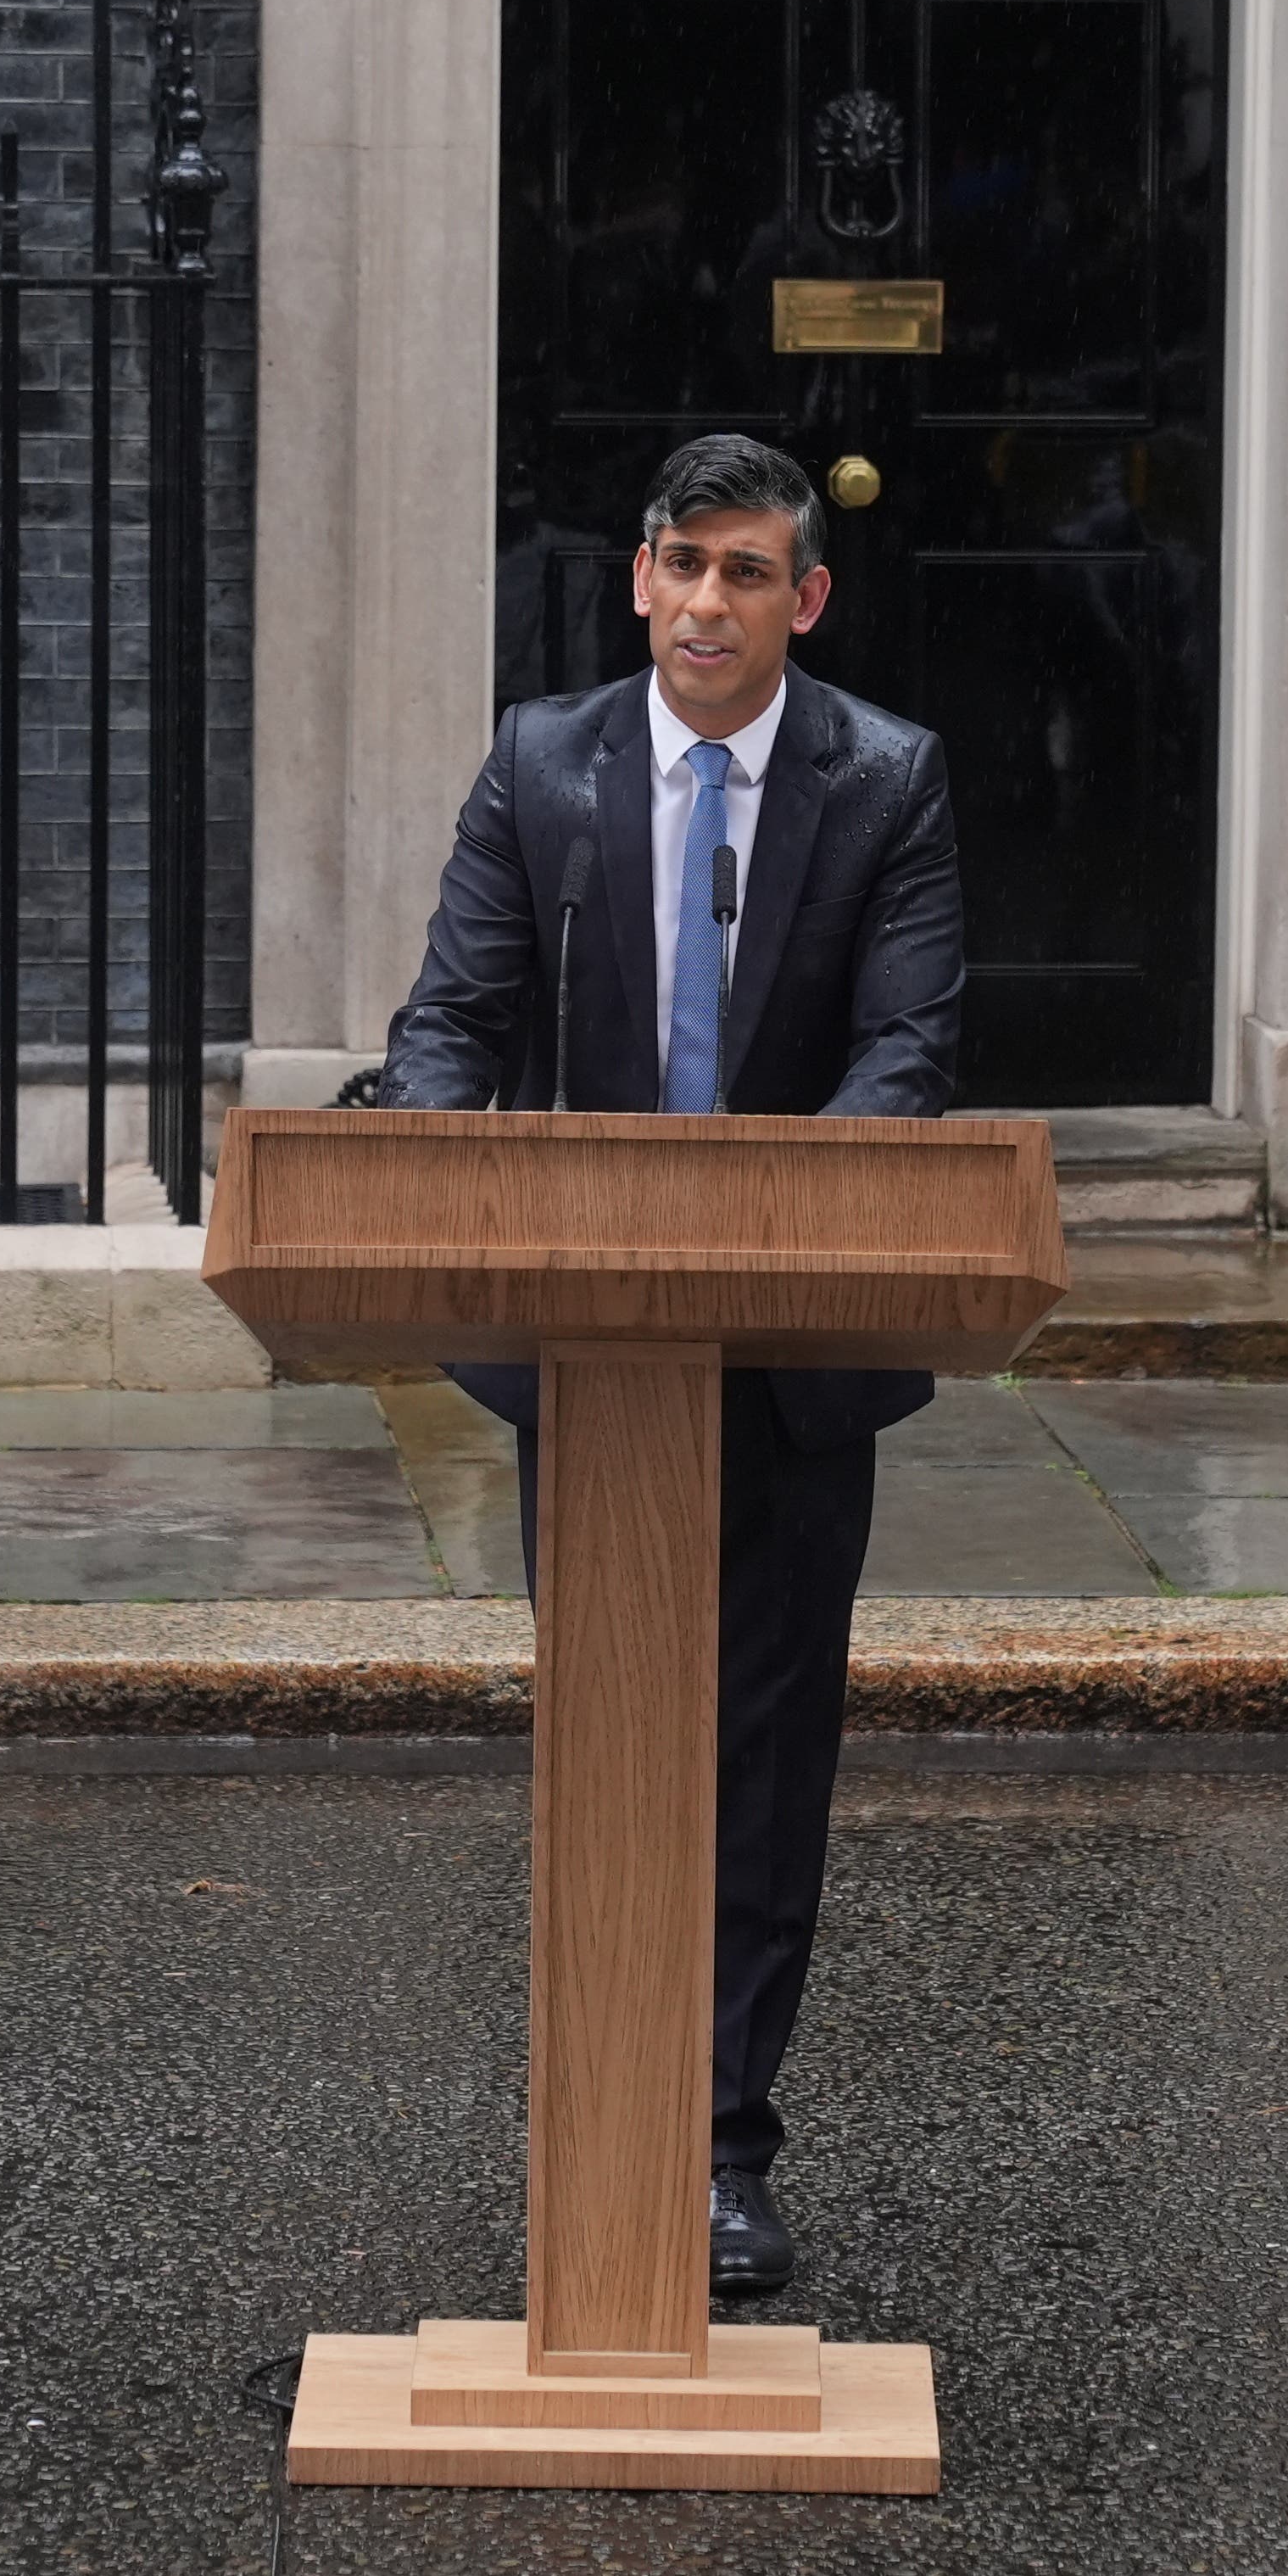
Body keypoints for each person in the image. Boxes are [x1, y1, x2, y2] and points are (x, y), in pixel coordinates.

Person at [378, 428, 966, 2301]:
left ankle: (720, 2149)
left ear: (807, 595)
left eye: (746, 571)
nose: (707, 601)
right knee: (615, 1738)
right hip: (589, 1337)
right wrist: (416, 1155)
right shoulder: (542, 767)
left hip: (789, 1348)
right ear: (637, 577)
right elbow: (457, 1016)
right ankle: (602, 2124)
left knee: (761, 1750)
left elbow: (905, 1057)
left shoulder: (888, 781)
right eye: (680, 564)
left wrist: (765, 1225)